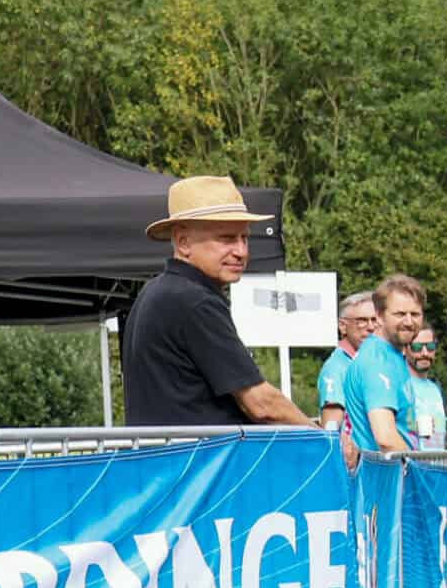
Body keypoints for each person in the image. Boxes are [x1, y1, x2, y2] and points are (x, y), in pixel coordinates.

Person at [122, 176, 311, 428]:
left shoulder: (156, 290)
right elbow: (261, 404)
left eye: (245, 238)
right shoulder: (193, 300)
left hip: (170, 461)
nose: (241, 251)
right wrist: (323, 440)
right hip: (203, 463)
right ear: (183, 242)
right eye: (226, 238)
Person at [341, 276, 425, 458]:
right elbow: (385, 438)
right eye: (400, 314)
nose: (409, 322)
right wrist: (420, 472)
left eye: (415, 314)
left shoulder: (392, 355)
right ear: (379, 315)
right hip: (381, 481)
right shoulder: (377, 361)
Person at [318, 291, 377, 438]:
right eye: (362, 320)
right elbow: (331, 425)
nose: (370, 327)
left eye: (375, 320)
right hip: (354, 458)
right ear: (343, 326)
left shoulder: (371, 362)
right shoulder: (336, 367)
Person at [402, 327, 447, 450]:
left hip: (437, 465)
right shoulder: (398, 384)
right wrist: (415, 427)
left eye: (430, 347)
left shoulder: (436, 388)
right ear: (404, 349)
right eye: (417, 347)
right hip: (410, 465)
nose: (425, 353)